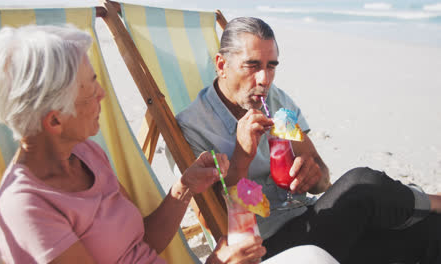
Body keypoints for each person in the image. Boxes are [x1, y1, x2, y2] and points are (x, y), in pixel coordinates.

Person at [0, 24, 268, 264]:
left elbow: (141, 242)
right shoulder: (27, 207)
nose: (102, 94)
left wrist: (185, 187)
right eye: (91, 88)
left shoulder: (85, 153)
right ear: (55, 121)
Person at [176, 17, 441, 263]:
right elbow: (218, 224)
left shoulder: (275, 102)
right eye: (253, 65)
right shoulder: (193, 129)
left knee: (431, 230)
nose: (264, 79)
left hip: (315, 224)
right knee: (360, 184)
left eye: (271, 66)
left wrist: (314, 176)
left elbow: (324, 181)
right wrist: (242, 158)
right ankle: (434, 200)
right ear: (222, 65)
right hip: (267, 247)